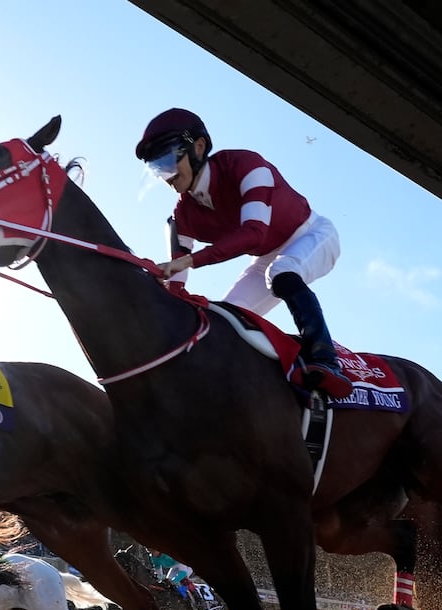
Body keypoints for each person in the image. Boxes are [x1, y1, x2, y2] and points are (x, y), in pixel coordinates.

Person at [135, 107, 352, 401]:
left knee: (282, 272)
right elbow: (177, 287)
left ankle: (327, 361)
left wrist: (191, 260)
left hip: (312, 235)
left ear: (198, 147)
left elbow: (254, 233)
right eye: (157, 168)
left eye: (168, 161)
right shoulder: (182, 214)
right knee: (223, 320)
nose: (166, 176)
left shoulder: (246, 165)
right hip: (266, 258)